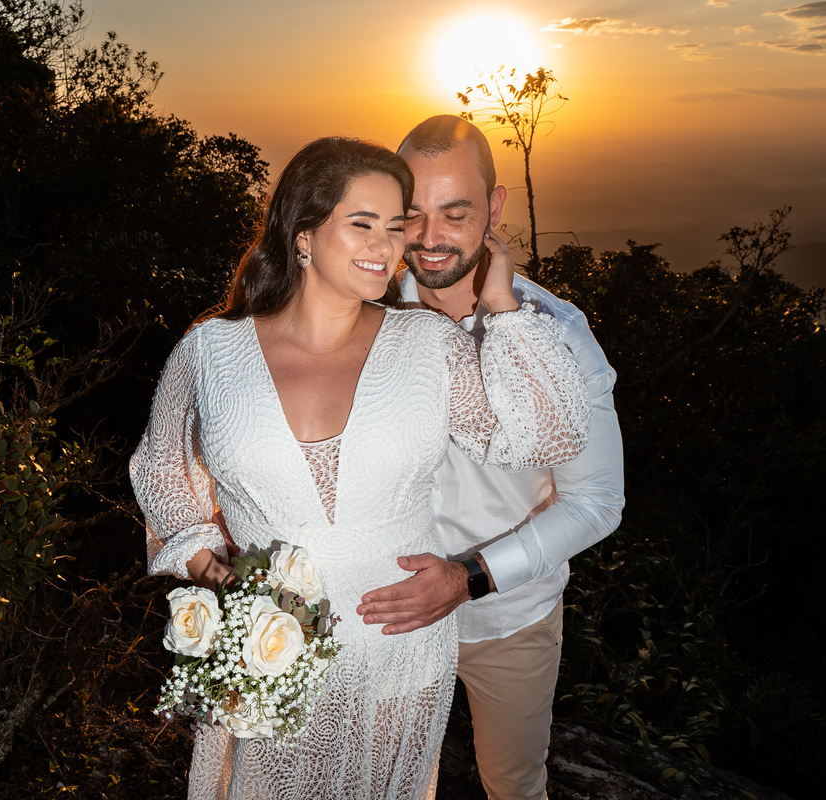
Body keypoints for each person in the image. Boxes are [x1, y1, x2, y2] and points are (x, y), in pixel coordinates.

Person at [129, 136, 592, 800]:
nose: (388, 245)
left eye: (395, 226)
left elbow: (547, 436)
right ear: (304, 235)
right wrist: (222, 572)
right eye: (362, 223)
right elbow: (164, 474)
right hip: (271, 650)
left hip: (399, 651)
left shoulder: (427, 343)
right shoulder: (209, 354)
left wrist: (503, 303)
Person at [356, 116, 625, 800]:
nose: (430, 236)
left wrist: (469, 577)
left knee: (512, 785)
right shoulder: (359, 315)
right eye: (412, 213)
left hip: (511, 619)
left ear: (494, 208)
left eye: (456, 211)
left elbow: (597, 502)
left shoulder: (555, 335)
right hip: (382, 612)